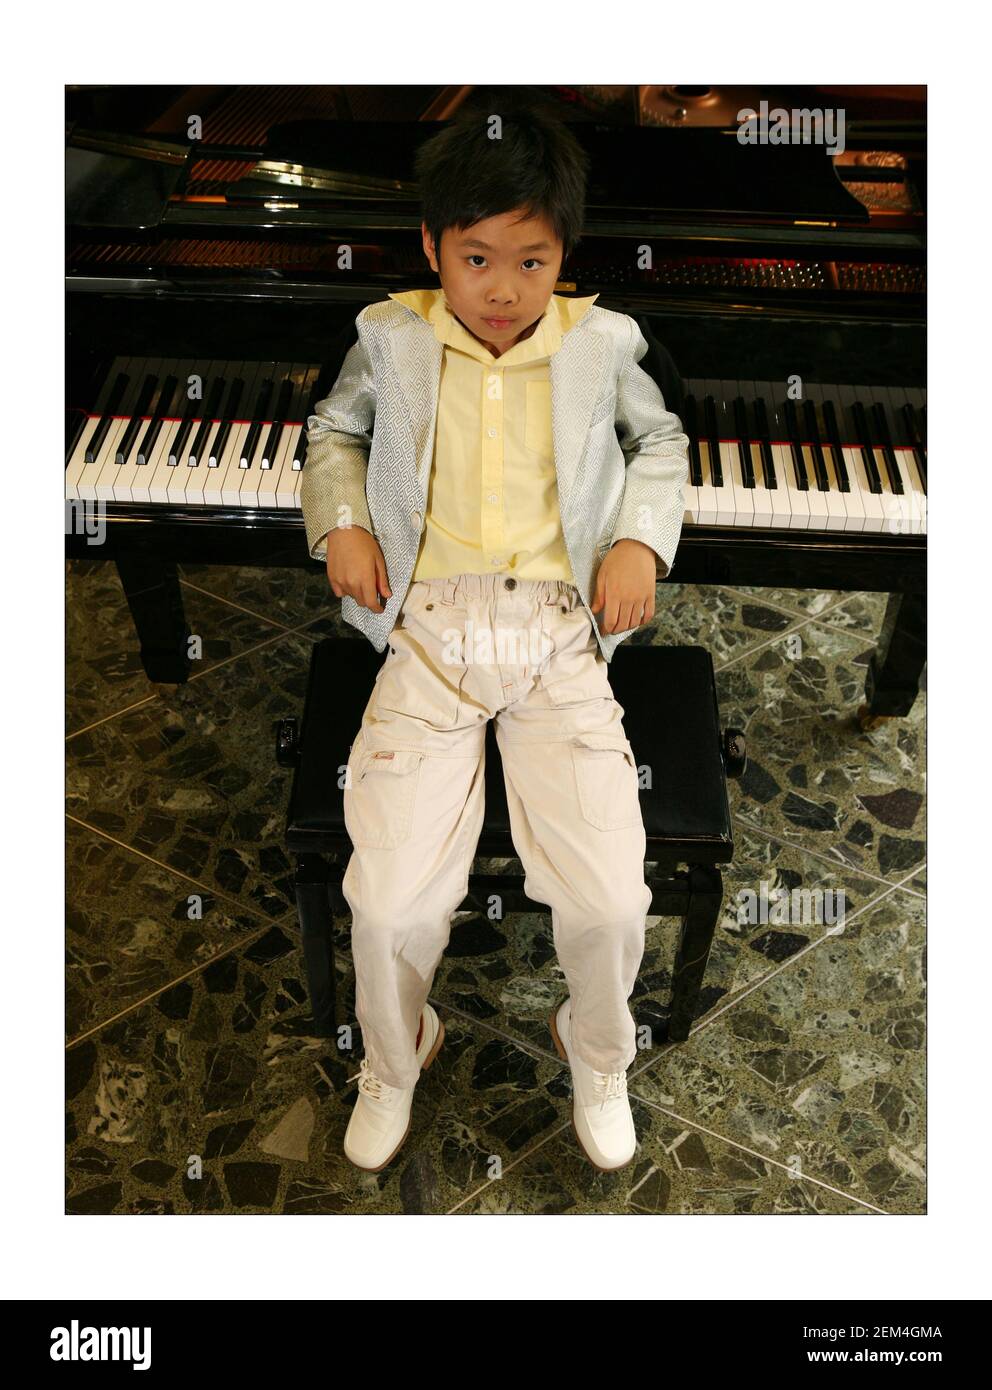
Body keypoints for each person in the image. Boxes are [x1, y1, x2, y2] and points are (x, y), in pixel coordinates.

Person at [300, 104, 689, 1174]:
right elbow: (332, 429)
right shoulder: (390, 334)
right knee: (383, 903)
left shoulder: (600, 341)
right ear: (432, 251)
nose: (504, 286)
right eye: (475, 258)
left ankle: (596, 1049)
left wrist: (634, 543)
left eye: (531, 259)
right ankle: (393, 1053)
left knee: (611, 894)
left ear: (564, 257)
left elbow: (658, 441)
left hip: (560, 633)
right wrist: (338, 518)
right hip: (425, 630)